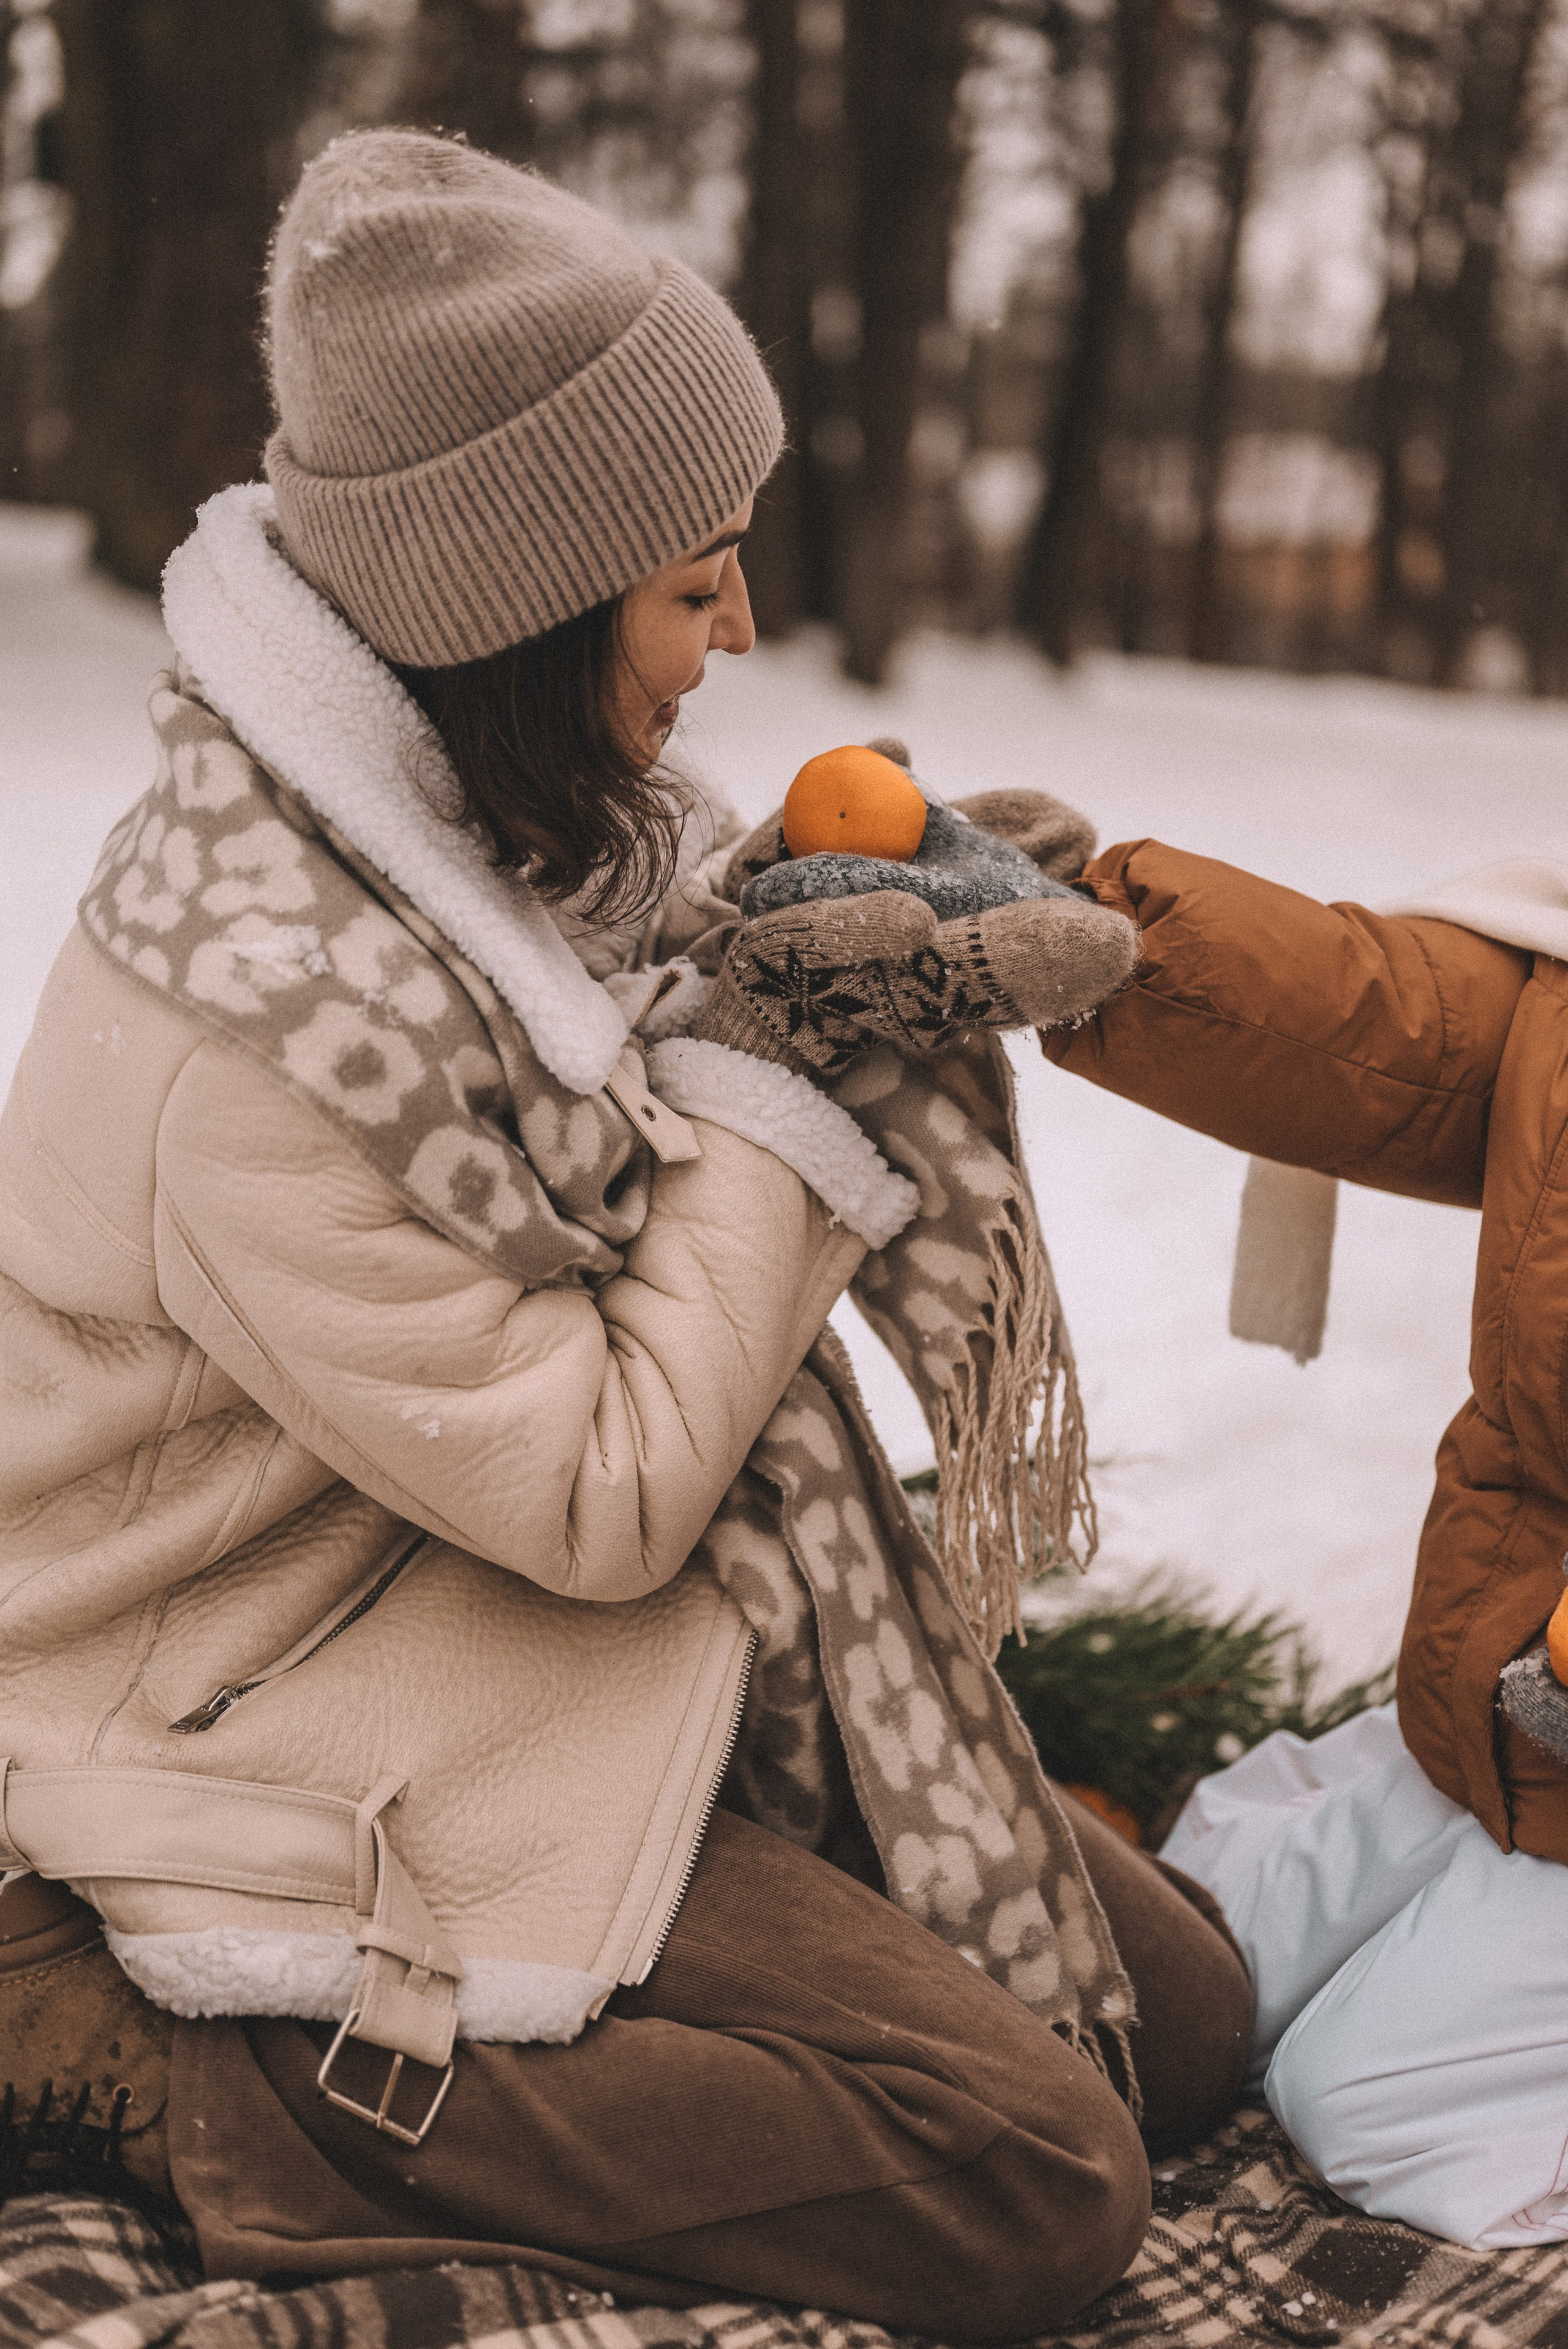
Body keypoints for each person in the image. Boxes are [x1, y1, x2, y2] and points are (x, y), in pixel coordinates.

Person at [0, 132, 1250, 2342]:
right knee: (1038, 2174)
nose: (743, 635)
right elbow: (600, 1489)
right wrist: (786, 1056)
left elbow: (644, 988)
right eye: (697, 586)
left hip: (460, 1592)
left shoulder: (480, 835)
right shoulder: (268, 1041)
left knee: (1187, 2023)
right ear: (522, 608)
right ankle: (173, 2074)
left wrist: (879, 916)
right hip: (256, 1708)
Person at [1039, 840, 1568, 2251]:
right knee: (1213, 1958)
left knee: (1370, 2102)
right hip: (1507, 1695)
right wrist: (1081, 926)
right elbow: (1377, 1028)